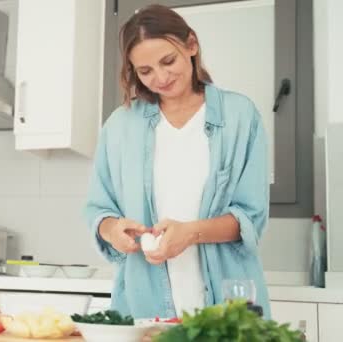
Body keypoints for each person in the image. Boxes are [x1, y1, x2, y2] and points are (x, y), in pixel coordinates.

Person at [84, 4, 270, 320]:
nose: (161, 77)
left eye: (168, 61)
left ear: (191, 45)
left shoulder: (240, 116)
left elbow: (250, 217)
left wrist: (191, 233)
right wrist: (113, 228)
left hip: (229, 301)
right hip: (143, 303)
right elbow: (98, 209)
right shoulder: (120, 126)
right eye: (145, 71)